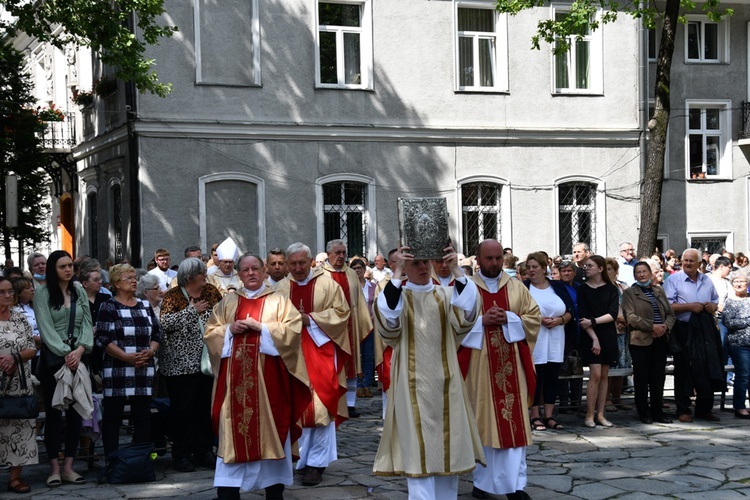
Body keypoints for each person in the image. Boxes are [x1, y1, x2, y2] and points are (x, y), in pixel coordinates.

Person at [373, 245, 485, 499]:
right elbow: (388, 320)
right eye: (416, 263)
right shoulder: (397, 296)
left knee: (450, 453)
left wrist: (456, 268)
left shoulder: (446, 295)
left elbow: (469, 311)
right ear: (403, 268)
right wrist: (397, 271)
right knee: (418, 457)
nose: (423, 267)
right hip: (412, 386)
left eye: (426, 262)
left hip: (447, 384)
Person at [205, 253, 311, 500]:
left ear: (264, 271)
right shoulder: (228, 302)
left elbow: (293, 331)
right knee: (232, 433)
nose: (251, 273)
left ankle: (275, 492)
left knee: (271, 434)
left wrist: (262, 328)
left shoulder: (279, 301)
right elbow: (211, 333)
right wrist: (229, 330)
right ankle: (228, 493)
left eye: (255, 269)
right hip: (234, 390)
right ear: (239, 274)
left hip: (270, 388)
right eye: (245, 270)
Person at [459, 240, 540, 500]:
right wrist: (482, 321)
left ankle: (515, 486)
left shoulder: (516, 287)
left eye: (497, 258)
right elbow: (453, 324)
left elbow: (533, 318)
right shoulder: (467, 289)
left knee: (514, 426)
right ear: (478, 260)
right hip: (480, 369)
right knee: (483, 425)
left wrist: (510, 318)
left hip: (512, 370)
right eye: (489, 259)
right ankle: (482, 484)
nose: (494, 263)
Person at [275, 243, 350, 486]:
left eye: (301, 263)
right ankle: (299, 459)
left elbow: (342, 313)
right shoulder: (280, 288)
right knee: (294, 405)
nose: (297, 268)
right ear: (287, 264)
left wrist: (312, 319)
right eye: (293, 264)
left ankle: (316, 464)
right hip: (290, 354)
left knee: (320, 407)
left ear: (311, 262)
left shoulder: (328, 284)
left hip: (321, 351)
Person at [33, 250, 92, 487]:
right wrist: (65, 352)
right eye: (62, 266)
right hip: (55, 362)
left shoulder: (79, 290)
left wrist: (79, 350)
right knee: (55, 415)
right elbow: (45, 328)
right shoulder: (42, 293)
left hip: (78, 358)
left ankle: (69, 466)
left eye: (70, 265)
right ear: (52, 269)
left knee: (76, 415)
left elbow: (87, 324)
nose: (68, 269)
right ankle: (54, 468)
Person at [159, 258, 223, 472]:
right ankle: (182, 454)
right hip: (179, 366)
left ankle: (204, 450)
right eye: (201, 272)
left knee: (204, 409)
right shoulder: (173, 296)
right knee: (183, 411)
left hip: (206, 363)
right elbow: (165, 325)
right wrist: (191, 311)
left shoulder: (212, 292)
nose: (205, 275)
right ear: (189, 277)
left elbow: (223, 316)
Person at [95, 264, 160, 458]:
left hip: (143, 367)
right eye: (128, 278)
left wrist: (151, 351)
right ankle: (112, 460)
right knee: (113, 417)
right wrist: (126, 357)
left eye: (135, 277)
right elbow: (102, 338)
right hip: (117, 369)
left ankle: (142, 460)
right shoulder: (108, 306)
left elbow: (156, 333)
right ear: (116, 283)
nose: (134, 281)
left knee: (142, 417)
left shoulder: (145, 305)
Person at [663, 248, 724, 422]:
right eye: (685, 260)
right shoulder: (674, 280)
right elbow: (667, 306)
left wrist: (713, 306)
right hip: (683, 329)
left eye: (691, 261)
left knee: (707, 365)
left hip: (705, 330)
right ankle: (683, 409)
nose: (688, 263)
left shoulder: (707, 280)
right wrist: (690, 307)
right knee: (683, 369)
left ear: (699, 263)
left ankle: (705, 409)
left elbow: (715, 300)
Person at [320, 239, 371, 418]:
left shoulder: (351, 274)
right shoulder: (320, 275)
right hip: (330, 329)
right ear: (328, 255)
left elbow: (359, 302)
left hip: (350, 326)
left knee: (351, 364)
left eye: (343, 252)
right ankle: (331, 401)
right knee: (332, 366)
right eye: (337, 253)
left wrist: (362, 322)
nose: (341, 256)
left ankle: (350, 404)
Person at [523, 252, 574, 432]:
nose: (531, 270)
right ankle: (535, 415)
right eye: (528, 267)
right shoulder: (524, 288)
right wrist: (538, 320)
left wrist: (560, 320)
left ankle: (549, 415)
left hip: (556, 338)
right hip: (534, 339)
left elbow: (570, 311)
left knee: (552, 376)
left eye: (535, 267)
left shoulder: (557, 286)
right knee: (536, 377)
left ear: (544, 268)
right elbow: (518, 312)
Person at [622, 262, 676, 424]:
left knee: (658, 377)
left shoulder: (659, 290)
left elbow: (671, 314)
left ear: (650, 273)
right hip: (640, 341)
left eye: (644, 271)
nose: (642, 275)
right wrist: (651, 327)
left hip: (660, 339)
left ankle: (658, 412)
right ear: (634, 275)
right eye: (638, 272)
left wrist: (664, 327)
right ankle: (644, 412)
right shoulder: (630, 293)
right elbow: (630, 317)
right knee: (642, 378)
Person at [0, 276, 39, 493]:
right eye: (1, 292)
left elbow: (31, 349)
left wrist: (14, 358)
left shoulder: (19, 318)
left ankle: (15, 478)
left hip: (19, 382)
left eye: (9, 292)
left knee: (19, 428)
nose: (7, 296)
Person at [577, 255, 619, 428]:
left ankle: (601, 414)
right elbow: (583, 317)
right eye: (585, 266)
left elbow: (612, 314)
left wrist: (593, 322)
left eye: (590, 265)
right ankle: (589, 415)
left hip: (607, 333)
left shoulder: (611, 289)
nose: (586, 268)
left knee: (604, 375)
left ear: (600, 269)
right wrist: (594, 338)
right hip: (589, 335)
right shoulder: (582, 289)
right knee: (594, 374)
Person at [605, 257, 632, 413]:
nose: (607, 272)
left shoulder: (623, 287)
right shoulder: (602, 287)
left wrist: (627, 320)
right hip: (609, 330)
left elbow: (630, 306)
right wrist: (618, 318)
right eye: (605, 269)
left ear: (616, 271)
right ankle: (607, 398)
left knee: (622, 365)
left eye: (610, 269)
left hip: (624, 331)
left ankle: (617, 397)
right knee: (610, 366)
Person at [557, 260, 583, 414]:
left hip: (580, 331)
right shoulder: (557, 288)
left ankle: (577, 402)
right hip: (565, 331)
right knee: (565, 366)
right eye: (563, 271)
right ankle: (564, 402)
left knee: (577, 366)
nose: (566, 274)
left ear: (574, 272)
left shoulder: (579, 287)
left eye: (569, 271)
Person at [723, 272, 750, 418]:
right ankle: (739, 406)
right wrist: (747, 320)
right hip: (739, 344)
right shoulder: (730, 301)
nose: (739, 284)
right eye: (736, 282)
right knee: (743, 374)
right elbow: (729, 322)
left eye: (742, 281)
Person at [350, 258, 376, 398]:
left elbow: (376, 304)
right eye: (354, 268)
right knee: (357, 356)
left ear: (364, 270)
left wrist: (372, 318)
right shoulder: (350, 286)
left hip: (370, 325)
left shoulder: (372, 287)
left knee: (368, 356)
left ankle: (367, 384)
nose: (357, 270)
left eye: (359, 268)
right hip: (355, 326)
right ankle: (358, 385)